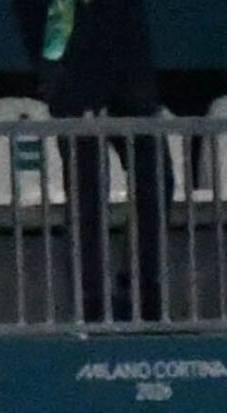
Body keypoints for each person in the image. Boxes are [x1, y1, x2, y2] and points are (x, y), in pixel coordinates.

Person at [9, 0, 167, 323]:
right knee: (86, 194)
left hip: (129, 75)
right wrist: (55, 74)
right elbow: (47, 15)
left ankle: (141, 291)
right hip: (76, 80)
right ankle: (91, 302)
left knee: (156, 181)